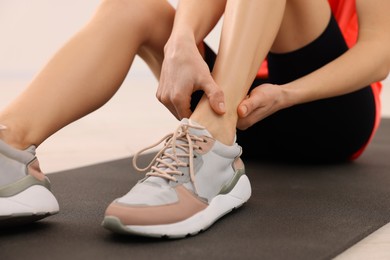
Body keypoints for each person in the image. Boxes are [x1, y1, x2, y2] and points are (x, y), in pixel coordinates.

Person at [0, 0, 389, 238]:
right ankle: (10, 145)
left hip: (328, 112)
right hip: (236, 100)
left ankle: (213, 142)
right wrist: (180, 39)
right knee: (132, 6)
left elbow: (380, 50)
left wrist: (290, 93)